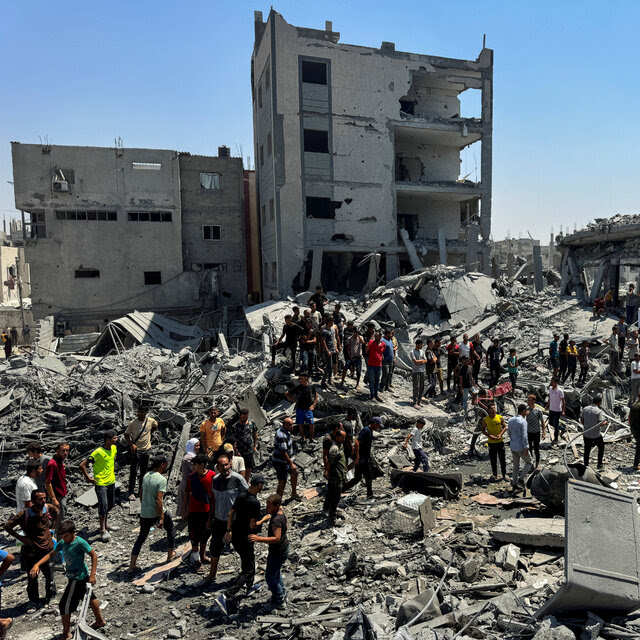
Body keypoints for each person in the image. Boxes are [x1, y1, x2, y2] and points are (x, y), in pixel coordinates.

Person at [31, 519, 106, 640]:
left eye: (66, 536)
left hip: (77, 578)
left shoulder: (80, 542)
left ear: (73, 532)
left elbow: (94, 555)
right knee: (90, 597)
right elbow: (51, 554)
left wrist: (93, 574)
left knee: (64, 605)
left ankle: (66, 633)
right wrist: (37, 564)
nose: (64, 538)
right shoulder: (62, 543)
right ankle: (100, 621)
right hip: (75, 577)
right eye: (62, 536)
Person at [214, 474, 266, 614]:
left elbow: (231, 513)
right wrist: (265, 518)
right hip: (247, 537)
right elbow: (253, 524)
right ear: (259, 486)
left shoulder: (241, 495)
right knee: (248, 568)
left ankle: (250, 586)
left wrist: (228, 530)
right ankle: (226, 595)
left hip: (235, 534)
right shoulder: (255, 503)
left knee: (249, 560)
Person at [5, 489, 58, 609]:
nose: (43, 501)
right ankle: (33, 601)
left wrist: (52, 530)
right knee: (32, 577)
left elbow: (57, 512)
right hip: (31, 552)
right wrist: (22, 538)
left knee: (50, 575)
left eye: (44, 498)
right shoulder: (24, 514)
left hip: (47, 549)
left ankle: (51, 597)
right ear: (33, 501)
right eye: (40, 499)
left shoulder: (48, 508)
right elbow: (7, 526)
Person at [204, 455, 249, 585]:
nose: (224, 468)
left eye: (226, 465)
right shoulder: (216, 480)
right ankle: (212, 574)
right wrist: (209, 518)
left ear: (230, 464)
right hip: (219, 520)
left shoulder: (238, 479)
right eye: (221, 466)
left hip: (235, 521)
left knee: (240, 547)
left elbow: (247, 498)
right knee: (215, 547)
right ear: (217, 467)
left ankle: (245, 574)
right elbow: (213, 501)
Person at [128, 455, 175, 575]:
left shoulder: (146, 476)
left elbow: (141, 494)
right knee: (171, 530)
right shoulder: (161, 479)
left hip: (145, 513)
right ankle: (170, 555)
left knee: (141, 538)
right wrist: (161, 517)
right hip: (156, 512)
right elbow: (159, 501)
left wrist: (145, 506)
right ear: (162, 465)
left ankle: (131, 566)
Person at [249, 493, 289, 610]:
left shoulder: (276, 519)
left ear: (277, 506)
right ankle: (282, 594)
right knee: (276, 573)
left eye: (269, 506)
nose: (267, 509)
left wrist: (258, 539)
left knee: (270, 577)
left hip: (278, 551)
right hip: (282, 548)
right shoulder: (280, 513)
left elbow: (276, 538)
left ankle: (278, 600)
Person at [79, 430, 118, 542]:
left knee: (110, 505)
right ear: (108, 439)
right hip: (100, 483)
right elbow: (82, 465)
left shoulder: (114, 448)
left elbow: (113, 459)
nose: (116, 440)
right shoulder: (98, 452)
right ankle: (102, 530)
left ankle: (106, 525)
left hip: (111, 481)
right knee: (103, 505)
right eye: (114, 438)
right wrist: (88, 478)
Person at [184, 453, 215, 573]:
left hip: (207, 511)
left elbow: (214, 495)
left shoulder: (212, 475)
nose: (193, 467)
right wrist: (184, 510)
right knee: (194, 537)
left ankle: (202, 556)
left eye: (195, 465)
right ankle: (197, 562)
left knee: (205, 535)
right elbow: (187, 494)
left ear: (202, 465)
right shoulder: (191, 477)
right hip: (193, 511)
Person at [124, 405, 158, 500]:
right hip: (136, 451)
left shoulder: (150, 421)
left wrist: (150, 434)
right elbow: (126, 434)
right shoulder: (133, 423)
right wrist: (131, 444)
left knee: (144, 472)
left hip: (146, 450)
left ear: (146, 412)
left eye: (142, 412)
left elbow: (155, 425)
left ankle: (141, 490)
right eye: (138, 411)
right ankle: (131, 491)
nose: (139, 413)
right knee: (133, 471)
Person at [344, 417, 381, 498]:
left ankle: (342, 489)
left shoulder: (369, 430)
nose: (378, 427)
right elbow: (357, 442)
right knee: (368, 476)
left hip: (363, 458)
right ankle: (369, 495)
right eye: (378, 425)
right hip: (361, 458)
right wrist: (357, 458)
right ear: (374, 423)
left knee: (358, 478)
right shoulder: (366, 430)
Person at [508, 404, 534, 495]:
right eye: (525, 411)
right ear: (523, 411)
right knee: (529, 463)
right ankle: (521, 479)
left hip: (513, 446)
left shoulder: (511, 420)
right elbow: (524, 436)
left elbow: (509, 433)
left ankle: (514, 483)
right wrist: (526, 447)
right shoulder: (523, 421)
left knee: (516, 466)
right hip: (521, 447)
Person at [272, 418, 300, 500]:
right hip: (281, 461)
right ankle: (277, 501)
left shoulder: (286, 432)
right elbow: (283, 452)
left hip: (287, 459)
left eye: (292, 424)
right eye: (290, 425)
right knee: (282, 481)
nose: (292, 426)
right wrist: (291, 464)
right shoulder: (281, 436)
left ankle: (294, 493)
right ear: (284, 425)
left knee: (295, 473)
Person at [324, 428, 347, 525]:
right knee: (336, 496)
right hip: (336, 475)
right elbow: (329, 462)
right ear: (337, 437)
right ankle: (332, 518)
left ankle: (327, 509)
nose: (344, 439)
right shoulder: (334, 449)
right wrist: (327, 472)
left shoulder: (340, 445)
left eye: (344, 437)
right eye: (342, 437)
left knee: (331, 492)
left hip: (339, 474)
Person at [285, 372, 318, 441]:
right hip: (300, 408)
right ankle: (303, 438)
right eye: (300, 379)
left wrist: (313, 405)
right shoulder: (299, 387)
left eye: (302, 378)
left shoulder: (311, 386)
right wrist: (294, 400)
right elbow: (287, 393)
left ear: (306, 378)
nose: (300, 380)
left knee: (311, 424)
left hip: (308, 409)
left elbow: (316, 395)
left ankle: (311, 438)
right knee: (301, 424)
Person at [229, 408, 258, 479]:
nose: (244, 419)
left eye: (246, 417)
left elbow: (255, 434)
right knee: (241, 468)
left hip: (249, 450)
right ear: (240, 416)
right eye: (243, 417)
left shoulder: (252, 423)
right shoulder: (235, 426)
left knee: (249, 467)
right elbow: (233, 440)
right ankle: (241, 482)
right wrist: (236, 451)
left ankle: (246, 481)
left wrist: (254, 445)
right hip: (240, 452)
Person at [176, 438, 200, 524]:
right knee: (186, 500)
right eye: (196, 445)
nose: (198, 447)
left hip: (188, 482)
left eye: (198, 445)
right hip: (188, 483)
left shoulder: (191, 456)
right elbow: (195, 470)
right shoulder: (189, 458)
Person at [481, 403, 507, 480]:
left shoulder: (500, 417)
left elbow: (505, 427)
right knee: (493, 460)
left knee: (502, 459)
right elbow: (482, 429)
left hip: (500, 441)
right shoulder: (485, 419)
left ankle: (504, 474)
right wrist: (489, 436)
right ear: (488, 410)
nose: (493, 410)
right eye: (491, 408)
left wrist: (500, 434)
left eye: (494, 408)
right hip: (491, 443)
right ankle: (495, 475)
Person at [581, 396, 607, 469]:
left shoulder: (585, 409)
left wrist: (587, 426)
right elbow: (600, 423)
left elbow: (582, 420)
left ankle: (586, 465)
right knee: (601, 447)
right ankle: (599, 464)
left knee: (587, 450)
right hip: (596, 435)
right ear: (599, 403)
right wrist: (605, 423)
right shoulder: (599, 411)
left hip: (586, 433)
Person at [526, 395, 546, 468]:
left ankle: (537, 464)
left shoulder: (538, 411)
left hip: (536, 432)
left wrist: (543, 432)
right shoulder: (526, 410)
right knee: (529, 449)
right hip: (528, 432)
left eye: (529, 400)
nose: (527, 402)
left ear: (534, 401)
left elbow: (542, 422)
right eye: (527, 400)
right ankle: (531, 464)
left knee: (536, 449)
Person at [320, 316, 339, 388]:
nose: (333, 323)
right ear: (329, 322)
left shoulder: (331, 330)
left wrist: (335, 348)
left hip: (332, 349)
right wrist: (327, 350)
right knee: (329, 367)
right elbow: (323, 341)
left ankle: (329, 380)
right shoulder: (325, 331)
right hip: (329, 351)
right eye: (332, 321)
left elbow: (333, 339)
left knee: (331, 366)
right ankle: (324, 380)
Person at [366, 331, 386, 401]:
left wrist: (381, 356)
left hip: (379, 365)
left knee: (377, 381)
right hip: (371, 364)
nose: (375, 337)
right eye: (375, 336)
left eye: (377, 336)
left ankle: (376, 395)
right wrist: (368, 345)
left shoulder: (383, 344)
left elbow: (382, 352)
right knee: (372, 381)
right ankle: (372, 395)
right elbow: (366, 351)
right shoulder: (371, 342)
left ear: (380, 337)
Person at [545, 378, 566, 444]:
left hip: (557, 410)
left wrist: (563, 411)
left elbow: (563, 401)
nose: (551, 383)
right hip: (551, 409)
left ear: (556, 383)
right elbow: (550, 398)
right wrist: (547, 405)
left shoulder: (560, 391)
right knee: (551, 423)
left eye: (553, 382)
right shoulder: (550, 389)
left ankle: (556, 439)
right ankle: (562, 429)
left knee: (556, 425)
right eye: (551, 381)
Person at [411, 338, 427, 408]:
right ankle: (415, 402)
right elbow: (415, 362)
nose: (422, 346)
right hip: (416, 371)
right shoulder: (412, 352)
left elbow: (426, 360)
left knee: (422, 387)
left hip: (422, 371)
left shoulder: (422, 352)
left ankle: (419, 401)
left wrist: (420, 361)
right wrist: (421, 361)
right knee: (416, 387)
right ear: (417, 344)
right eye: (421, 344)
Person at [629, 391, 640, 470]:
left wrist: (631, 426)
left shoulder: (633, 405)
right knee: (639, 447)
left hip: (634, 428)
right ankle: (636, 465)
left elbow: (629, 418)